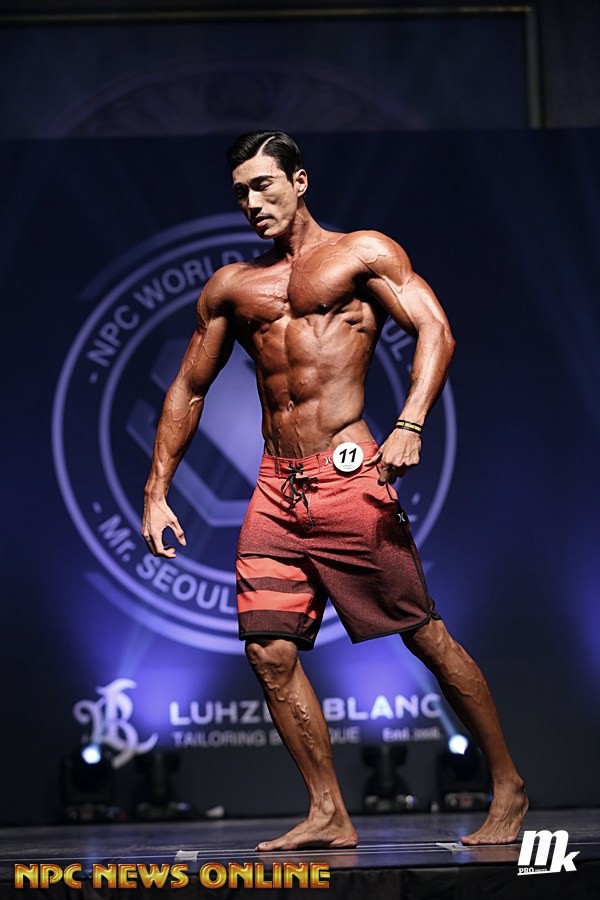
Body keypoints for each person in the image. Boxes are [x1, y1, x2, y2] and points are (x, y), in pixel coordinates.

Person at [142, 131, 528, 850]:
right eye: (240, 193)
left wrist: (409, 422)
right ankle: (328, 811)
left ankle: (507, 784)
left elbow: (434, 329)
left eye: (264, 185)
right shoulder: (233, 287)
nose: (252, 202)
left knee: (424, 636)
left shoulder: (361, 254)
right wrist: (156, 491)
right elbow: (189, 387)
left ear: (300, 181)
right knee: (268, 649)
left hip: (347, 476)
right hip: (275, 486)